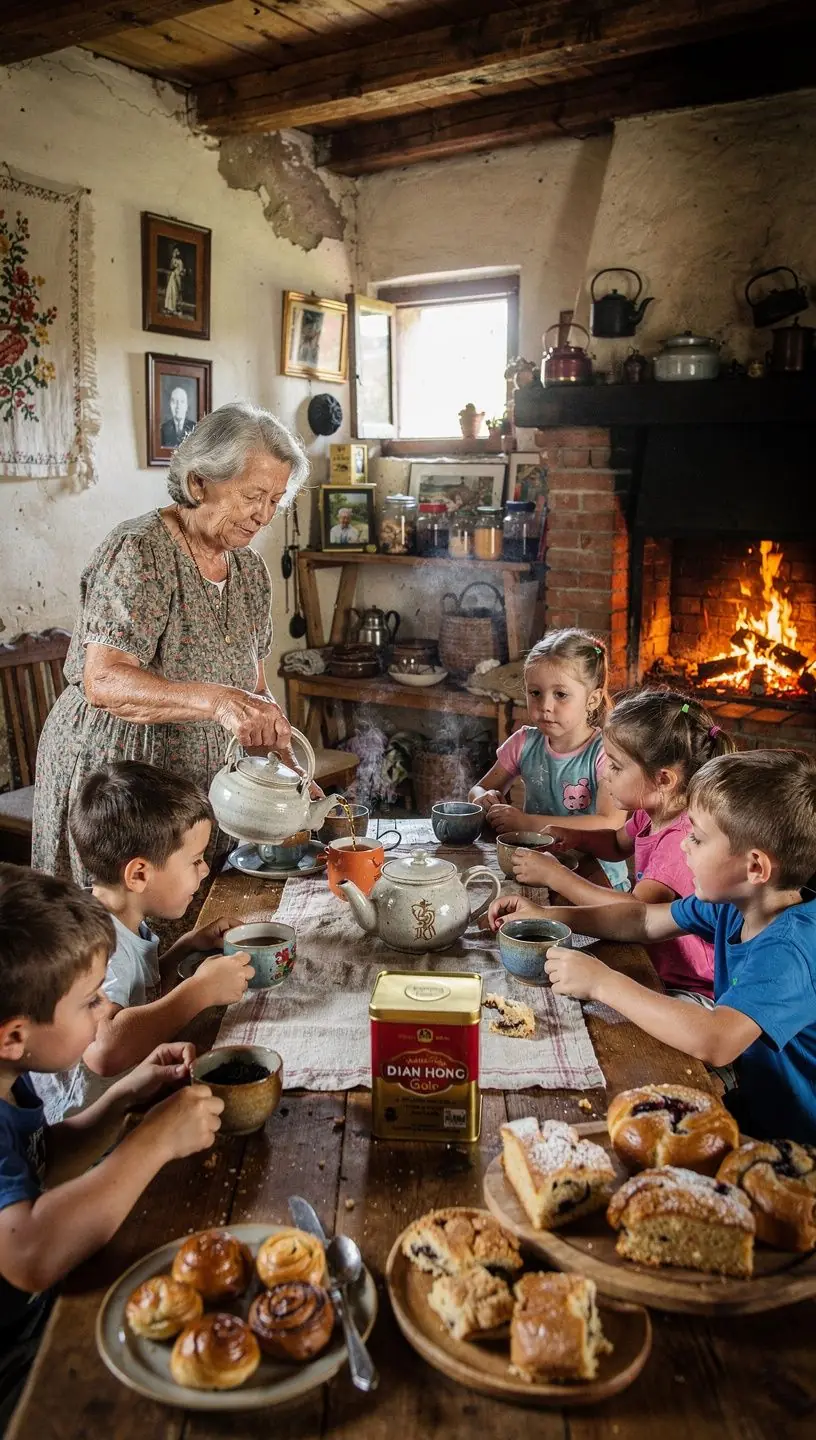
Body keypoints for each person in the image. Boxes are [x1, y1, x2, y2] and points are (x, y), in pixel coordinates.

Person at [33, 402, 315, 884]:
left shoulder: (249, 571)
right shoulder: (141, 550)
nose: (264, 515)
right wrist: (219, 702)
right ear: (200, 481)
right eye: (253, 496)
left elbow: (253, 685)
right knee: (114, 938)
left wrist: (287, 759)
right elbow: (103, 679)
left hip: (199, 792)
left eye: (275, 500)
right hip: (118, 782)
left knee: (193, 935)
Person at [490, 749, 816, 1145]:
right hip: (754, 1100)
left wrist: (603, 983)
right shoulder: (735, 903)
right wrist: (550, 915)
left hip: (794, 1137)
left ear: (755, 868)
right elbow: (643, 919)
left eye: (697, 837)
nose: (683, 846)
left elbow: (715, 1039)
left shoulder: (791, 949)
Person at [0, 865, 223, 1426]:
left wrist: (122, 1100)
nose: (106, 1014)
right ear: (14, 1035)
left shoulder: (10, 1077)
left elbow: (41, 1160)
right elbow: (28, 1253)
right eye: (90, 1003)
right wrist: (151, 1142)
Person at [34, 761, 254, 1123]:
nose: (204, 870)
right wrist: (199, 991)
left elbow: (135, 990)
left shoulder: (112, 916)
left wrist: (185, 948)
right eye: (195, 860)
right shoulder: (96, 947)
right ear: (139, 874)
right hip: (86, 1129)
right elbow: (105, 1048)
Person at [508, 690, 735, 998]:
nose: (605, 776)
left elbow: (634, 910)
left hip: (683, 984)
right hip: (648, 951)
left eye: (615, 766)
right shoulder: (652, 810)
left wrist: (555, 876)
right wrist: (576, 836)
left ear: (663, 779)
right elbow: (617, 842)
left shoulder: (680, 839)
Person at [469, 629, 629, 890]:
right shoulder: (523, 743)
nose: (545, 705)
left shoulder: (605, 752)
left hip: (596, 882)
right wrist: (482, 798)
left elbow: (610, 823)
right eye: (535, 693)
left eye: (560, 695)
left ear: (593, 700)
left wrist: (524, 823)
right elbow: (480, 788)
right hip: (536, 869)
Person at [163, 246, 185, 316]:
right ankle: (170, 307)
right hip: (173, 277)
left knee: (177, 292)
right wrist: (173, 260)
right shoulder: (173, 260)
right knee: (171, 291)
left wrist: (181, 273)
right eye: (175, 252)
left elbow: (181, 270)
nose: (176, 253)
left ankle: (177, 308)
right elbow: (171, 267)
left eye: (177, 252)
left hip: (178, 277)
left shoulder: (180, 261)